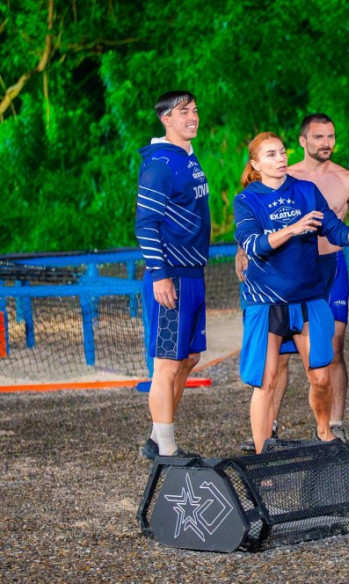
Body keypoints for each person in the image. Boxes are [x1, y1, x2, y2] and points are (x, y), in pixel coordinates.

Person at [235, 113, 349, 448]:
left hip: (307, 296)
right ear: (256, 164)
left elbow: (332, 228)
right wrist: (292, 228)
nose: (280, 158)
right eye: (271, 154)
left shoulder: (306, 190)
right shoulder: (247, 200)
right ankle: (262, 454)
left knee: (321, 377)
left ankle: (324, 432)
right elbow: (253, 245)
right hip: (266, 299)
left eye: (282, 152)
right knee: (267, 381)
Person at [136, 90, 210, 459]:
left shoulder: (188, 158)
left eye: (194, 110)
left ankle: (157, 436)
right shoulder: (160, 164)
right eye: (183, 112)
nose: (192, 117)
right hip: (172, 275)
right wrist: (159, 274)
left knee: (189, 357)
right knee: (166, 364)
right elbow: (146, 224)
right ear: (166, 119)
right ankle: (165, 449)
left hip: (193, 272)